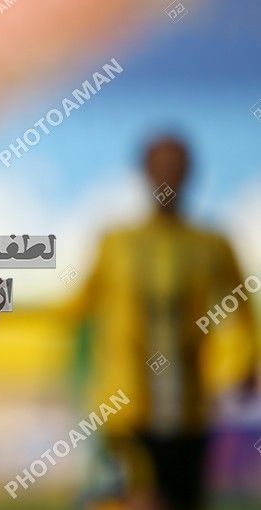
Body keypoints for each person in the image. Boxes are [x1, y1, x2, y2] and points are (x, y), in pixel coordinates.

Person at [68, 136, 257, 510]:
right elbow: (75, 308)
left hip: (190, 414)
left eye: (177, 167)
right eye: (160, 167)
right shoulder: (116, 242)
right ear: (145, 172)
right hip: (125, 414)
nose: (168, 175)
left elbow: (243, 307)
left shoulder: (212, 244)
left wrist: (247, 361)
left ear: (190, 173)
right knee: (134, 501)